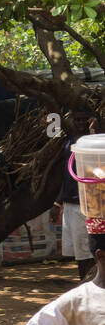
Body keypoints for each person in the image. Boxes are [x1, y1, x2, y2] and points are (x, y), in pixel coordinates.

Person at [54, 107, 99, 280]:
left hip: (88, 204)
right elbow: (66, 174)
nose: (81, 123)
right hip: (70, 203)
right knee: (80, 252)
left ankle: (90, 285)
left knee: (91, 251)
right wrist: (57, 203)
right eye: (78, 119)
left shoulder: (94, 142)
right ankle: (85, 284)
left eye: (84, 119)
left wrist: (93, 131)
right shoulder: (69, 142)